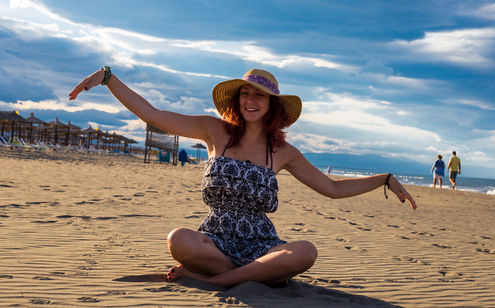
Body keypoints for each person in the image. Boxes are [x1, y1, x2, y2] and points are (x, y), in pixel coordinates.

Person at [69, 67, 417, 288]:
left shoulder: (283, 152)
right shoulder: (213, 130)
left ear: (272, 105)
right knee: (179, 239)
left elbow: (332, 187)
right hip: (215, 241)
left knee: (305, 251)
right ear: (237, 99)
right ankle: (237, 276)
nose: (251, 100)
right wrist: (108, 78)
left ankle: (220, 280)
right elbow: (155, 114)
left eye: (259, 95)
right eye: (246, 93)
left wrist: (384, 179)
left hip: (262, 246)